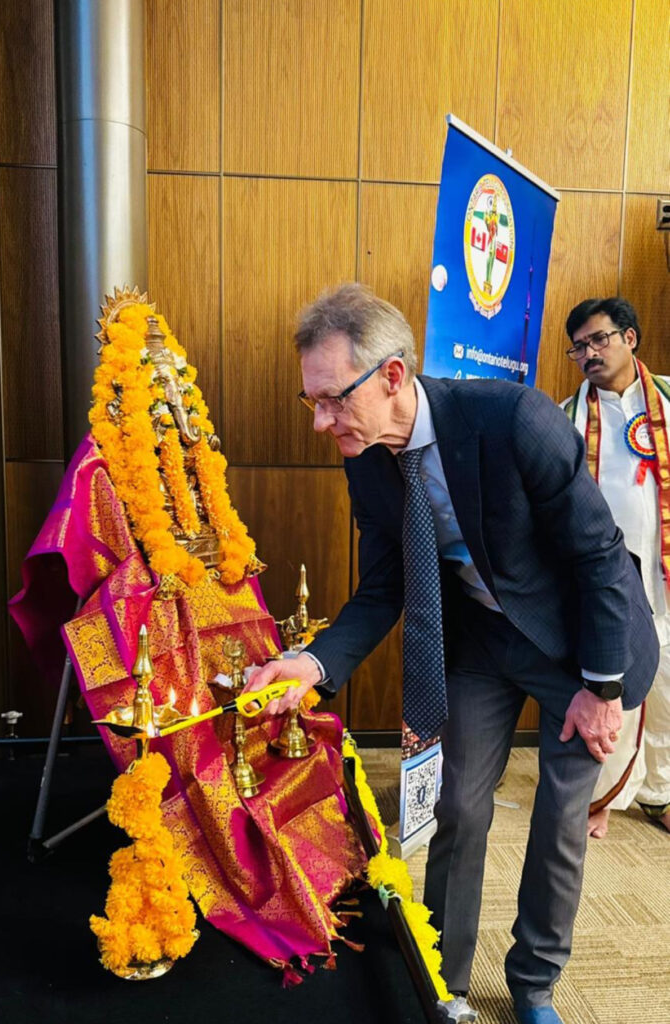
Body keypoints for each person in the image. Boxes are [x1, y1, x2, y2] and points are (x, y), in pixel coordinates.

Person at [245, 283, 659, 1024]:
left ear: (394, 376)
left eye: (332, 399)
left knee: (560, 818)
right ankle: (442, 981)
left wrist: (603, 686)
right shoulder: (367, 453)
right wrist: (312, 663)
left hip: (582, 646)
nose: (319, 421)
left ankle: (533, 986)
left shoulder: (511, 418)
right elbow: (382, 588)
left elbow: (598, 555)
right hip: (483, 640)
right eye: (310, 401)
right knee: (457, 806)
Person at [562, 296, 670, 839]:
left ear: (630, 337)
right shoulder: (566, 417)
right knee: (613, 683)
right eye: (579, 346)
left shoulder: (669, 403)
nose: (588, 353)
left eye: (598, 339)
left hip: (664, 567)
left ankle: (660, 792)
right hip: (605, 579)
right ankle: (602, 795)